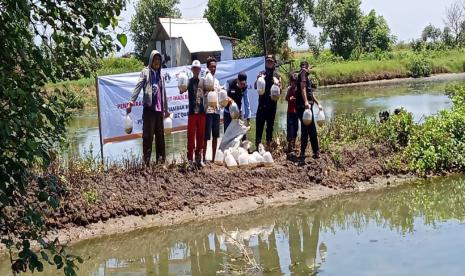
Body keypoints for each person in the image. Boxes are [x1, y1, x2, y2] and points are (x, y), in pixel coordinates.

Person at [127, 50, 170, 165]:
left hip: (159, 111)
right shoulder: (145, 72)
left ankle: (161, 162)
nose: (157, 62)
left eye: (159, 60)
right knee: (147, 136)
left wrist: (166, 109)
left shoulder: (161, 74)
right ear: (151, 60)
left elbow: (164, 92)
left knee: (160, 137)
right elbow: (138, 86)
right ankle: (146, 163)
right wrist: (131, 101)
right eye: (155, 59)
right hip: (149, 110)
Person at [181, 60, 206, 166]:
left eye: (197, 68)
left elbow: (210, 90)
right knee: (190, 136)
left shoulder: (204, 81)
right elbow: (182, 90)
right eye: (194, 68)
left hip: (202, 112)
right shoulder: (188, 81)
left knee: (200, 136)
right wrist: (181, 88)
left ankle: (198, 159)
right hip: (192, 112)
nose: (196, 70)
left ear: (200, 70)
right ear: (192, 70)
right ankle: (189, 159)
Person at [296, 60, 322, 160]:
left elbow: (310, 92)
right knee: (309, 129)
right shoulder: (303, 74)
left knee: (308, 128)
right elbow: (302, 88)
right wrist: (306, 102)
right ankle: (310, 151)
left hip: (307, 106)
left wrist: (317, 102)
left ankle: (309, 151)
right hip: (304, 107)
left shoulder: (307, 78)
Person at [254, 54, 281, 150]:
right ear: (265, 63)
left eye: (271, 61)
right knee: (259, 127)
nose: (269, 63)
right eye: (268, 61)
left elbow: (280, 92)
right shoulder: (261, 73)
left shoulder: (277, 76)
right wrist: (258, 79)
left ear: (274, 63)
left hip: (272, 106)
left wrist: (278, 84)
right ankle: (258, 147)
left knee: (270, 127)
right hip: (261, 105)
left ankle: (268, 147)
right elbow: (255, 86)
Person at [203, 57, 221, 163]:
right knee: (206, 136)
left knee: (215, 136)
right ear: (208, 68)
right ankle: (204, 158)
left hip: (216, 111)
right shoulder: (205, 79)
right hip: (207, 111)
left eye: (215, 66)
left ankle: (214, 159)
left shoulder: (217, 82)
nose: (213, 68)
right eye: (211, 66)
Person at [286, 73, 299, 154]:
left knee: (296, 128)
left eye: (295, 82)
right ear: (290, 82)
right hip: (290, 112)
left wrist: (295, 99)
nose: (293, 84)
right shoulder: (289, 89)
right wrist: (289, 98)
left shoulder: (298, 89)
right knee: (290, 129)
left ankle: (293, 144)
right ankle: (289, 145)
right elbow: (286, 98)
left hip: (296, 112)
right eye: (292, 82)